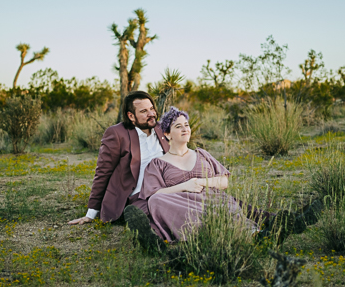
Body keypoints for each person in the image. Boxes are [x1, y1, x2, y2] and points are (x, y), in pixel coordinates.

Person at [134, 106, 256, 243]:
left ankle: (253, 234)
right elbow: (154, 194)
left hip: (211, 200)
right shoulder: (157, 163)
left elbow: (224, 182)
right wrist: (186, 186)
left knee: (225, 207)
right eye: (178, 126)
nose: (185, 129)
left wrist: (200, 182)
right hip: (181, 204)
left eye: (186, 125)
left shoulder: (202, 154)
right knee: (155, 201)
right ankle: (204, 234)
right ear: (167, 134)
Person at [67, 91, 169, 230]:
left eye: (152, 108)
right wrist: (91, 213)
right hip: (138, 196)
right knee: (161, 207)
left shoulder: (161, 129)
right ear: (131, 116)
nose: (151, 114)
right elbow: (103, 173)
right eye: (144, 111)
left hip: (165, 190)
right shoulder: (117, 134)